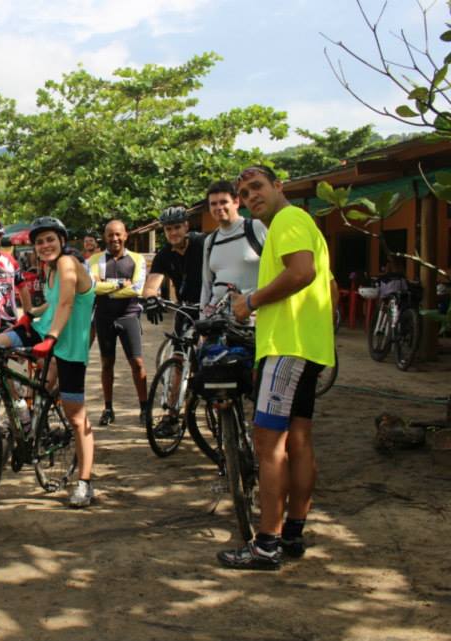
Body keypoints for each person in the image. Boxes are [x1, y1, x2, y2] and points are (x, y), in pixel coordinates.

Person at [218, 165, 335, 570]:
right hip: (309, 346)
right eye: (245, 192)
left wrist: (251, 302)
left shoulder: (287, 219)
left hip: (286, 348)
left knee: (270, 445)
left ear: (278, 186)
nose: (251, 196)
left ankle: (265, 543)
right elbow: (328, 285)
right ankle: (292, 533)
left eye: (257, 187)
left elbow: (302, 273)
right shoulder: (303, 225)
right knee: (299, 441)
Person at [0, 217, 96, 508]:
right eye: (39, 242)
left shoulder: (68, 263)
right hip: (43, 328)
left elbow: (67, 303)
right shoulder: (48, 269)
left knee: (75, 416)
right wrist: (32, 313)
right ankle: (20, 411)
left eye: (50, 239)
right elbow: (53, 301)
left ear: (62, 240)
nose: (45, 245)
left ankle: (85, 482)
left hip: (69, 345)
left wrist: (51, 338)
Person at [88, 219, 149, 426]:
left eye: (118, 234)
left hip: (129, 315)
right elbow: (92, 288)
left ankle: (144, 407)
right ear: (104, 236)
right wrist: (121, 284)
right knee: (107, 364)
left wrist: (107, 288)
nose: (114, 238)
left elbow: (137, 289)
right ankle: (108, 408)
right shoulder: (94, 260)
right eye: (110, 234)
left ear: (125, 235)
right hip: (103, 317)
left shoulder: (137, 259)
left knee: (137, 363)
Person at [200, 180, 267, 313]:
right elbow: (206, 285)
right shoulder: (210, 240)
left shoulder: (257, 228)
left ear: (236, 202)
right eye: (213, 204)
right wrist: (202, 317)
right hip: (220, 321)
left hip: (255, 318)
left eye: (224, 202)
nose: (218, 207)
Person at [142, 206, 206, 336]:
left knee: (208, 351)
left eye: (177, 227)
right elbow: (150, 287)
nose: (173, 233)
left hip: (209, 306)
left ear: (186, 226)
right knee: (178, 351)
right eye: (168, 229)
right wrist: (151, 299)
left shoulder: (202, 243)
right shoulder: (163, 255)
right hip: (185, 308)